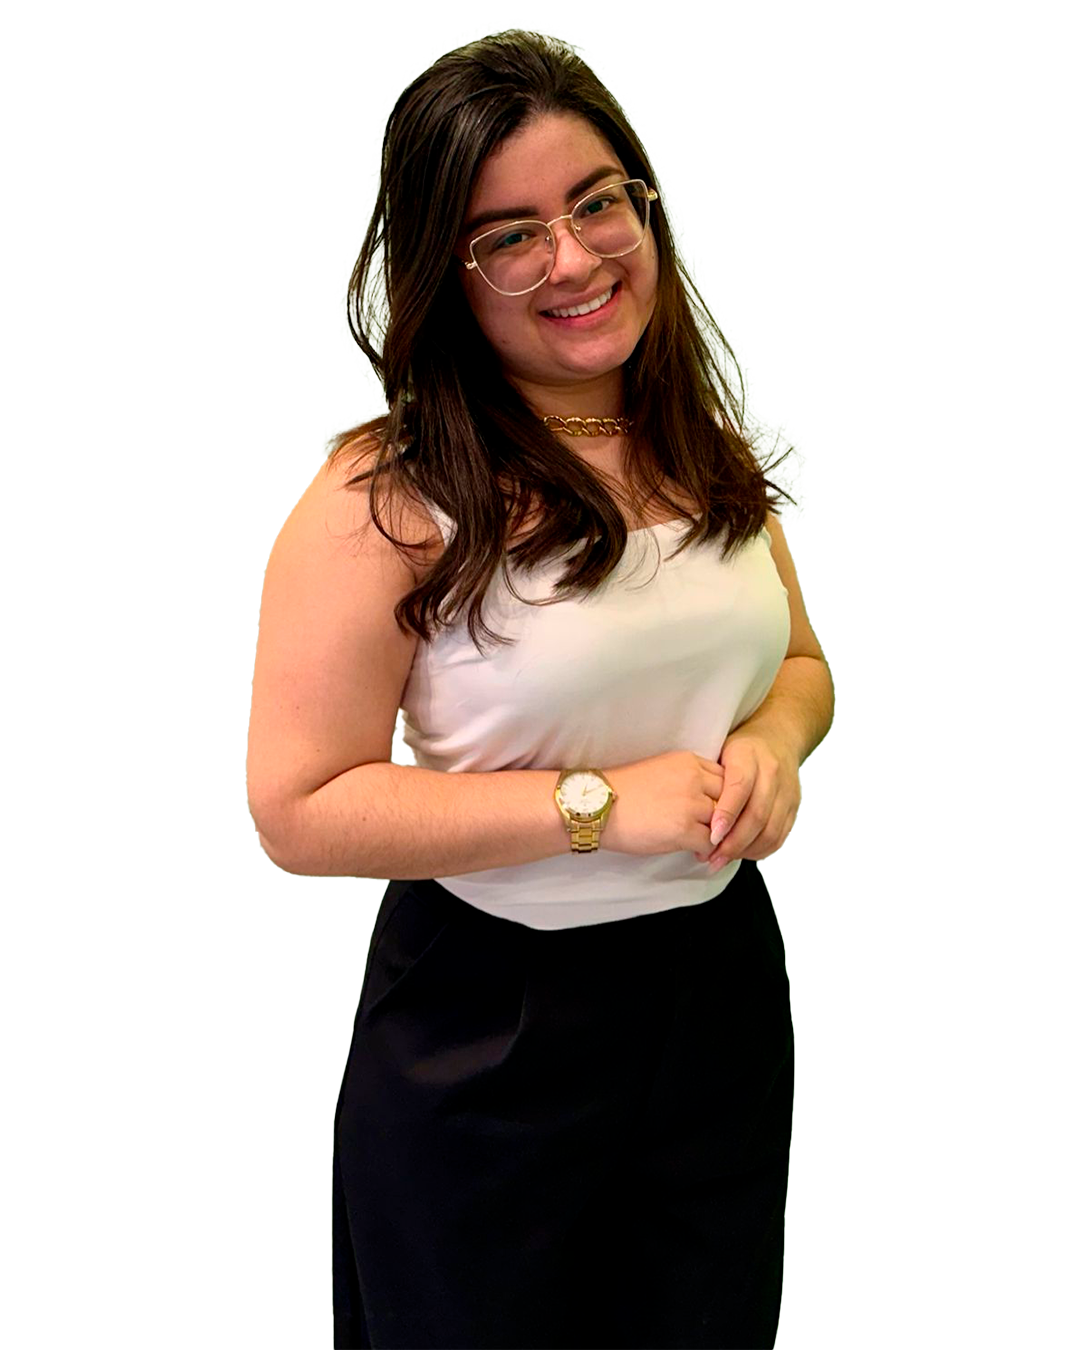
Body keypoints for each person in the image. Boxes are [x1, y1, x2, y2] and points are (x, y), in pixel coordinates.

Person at [246, 28, 833, 1350]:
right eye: (508, 236)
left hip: (718, 992)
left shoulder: (699, 439)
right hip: (489, 1022)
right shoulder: (384, 494)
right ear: (442, 275)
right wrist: (596, 806)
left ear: (645, 205)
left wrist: (776, 743)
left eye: (597, 202)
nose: (573, 258)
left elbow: (798, 663)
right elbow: (300, 807)